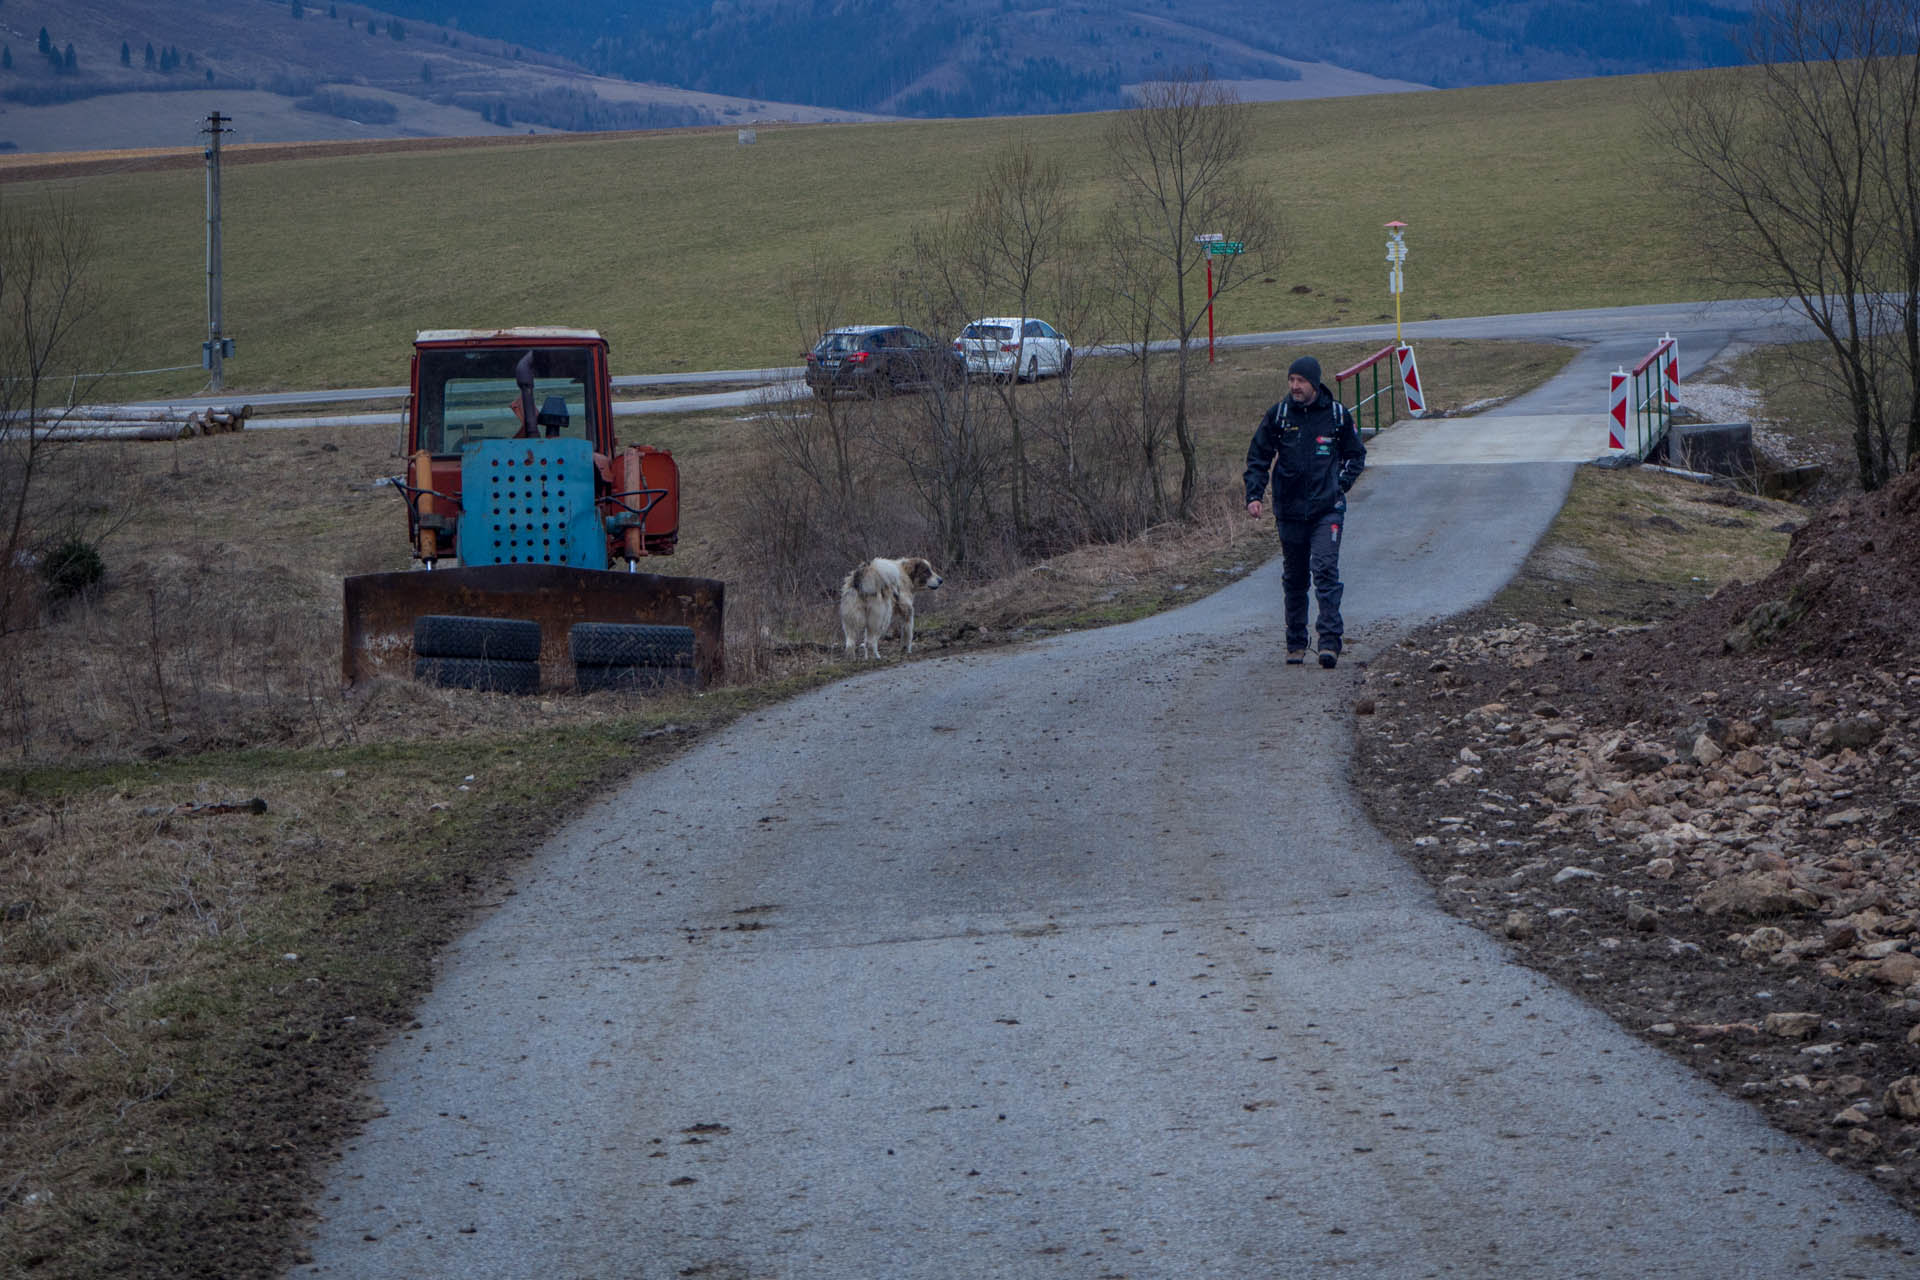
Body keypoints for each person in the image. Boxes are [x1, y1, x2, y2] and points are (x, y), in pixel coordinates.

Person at [1243, 355, 1367, 668]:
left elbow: (1356, 455)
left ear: (1314, 383)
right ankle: (1296, 643)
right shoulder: (1279, 415)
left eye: (1301, 381)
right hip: (1289, 511)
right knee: (1295, 578)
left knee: (1324, 571)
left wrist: (1339, 485)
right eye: (1291, 380)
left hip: (1327, 510)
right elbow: (1258, 456)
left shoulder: (1337, 416)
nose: (1295, 386)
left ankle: (1329, 642)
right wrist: (1254, 495)